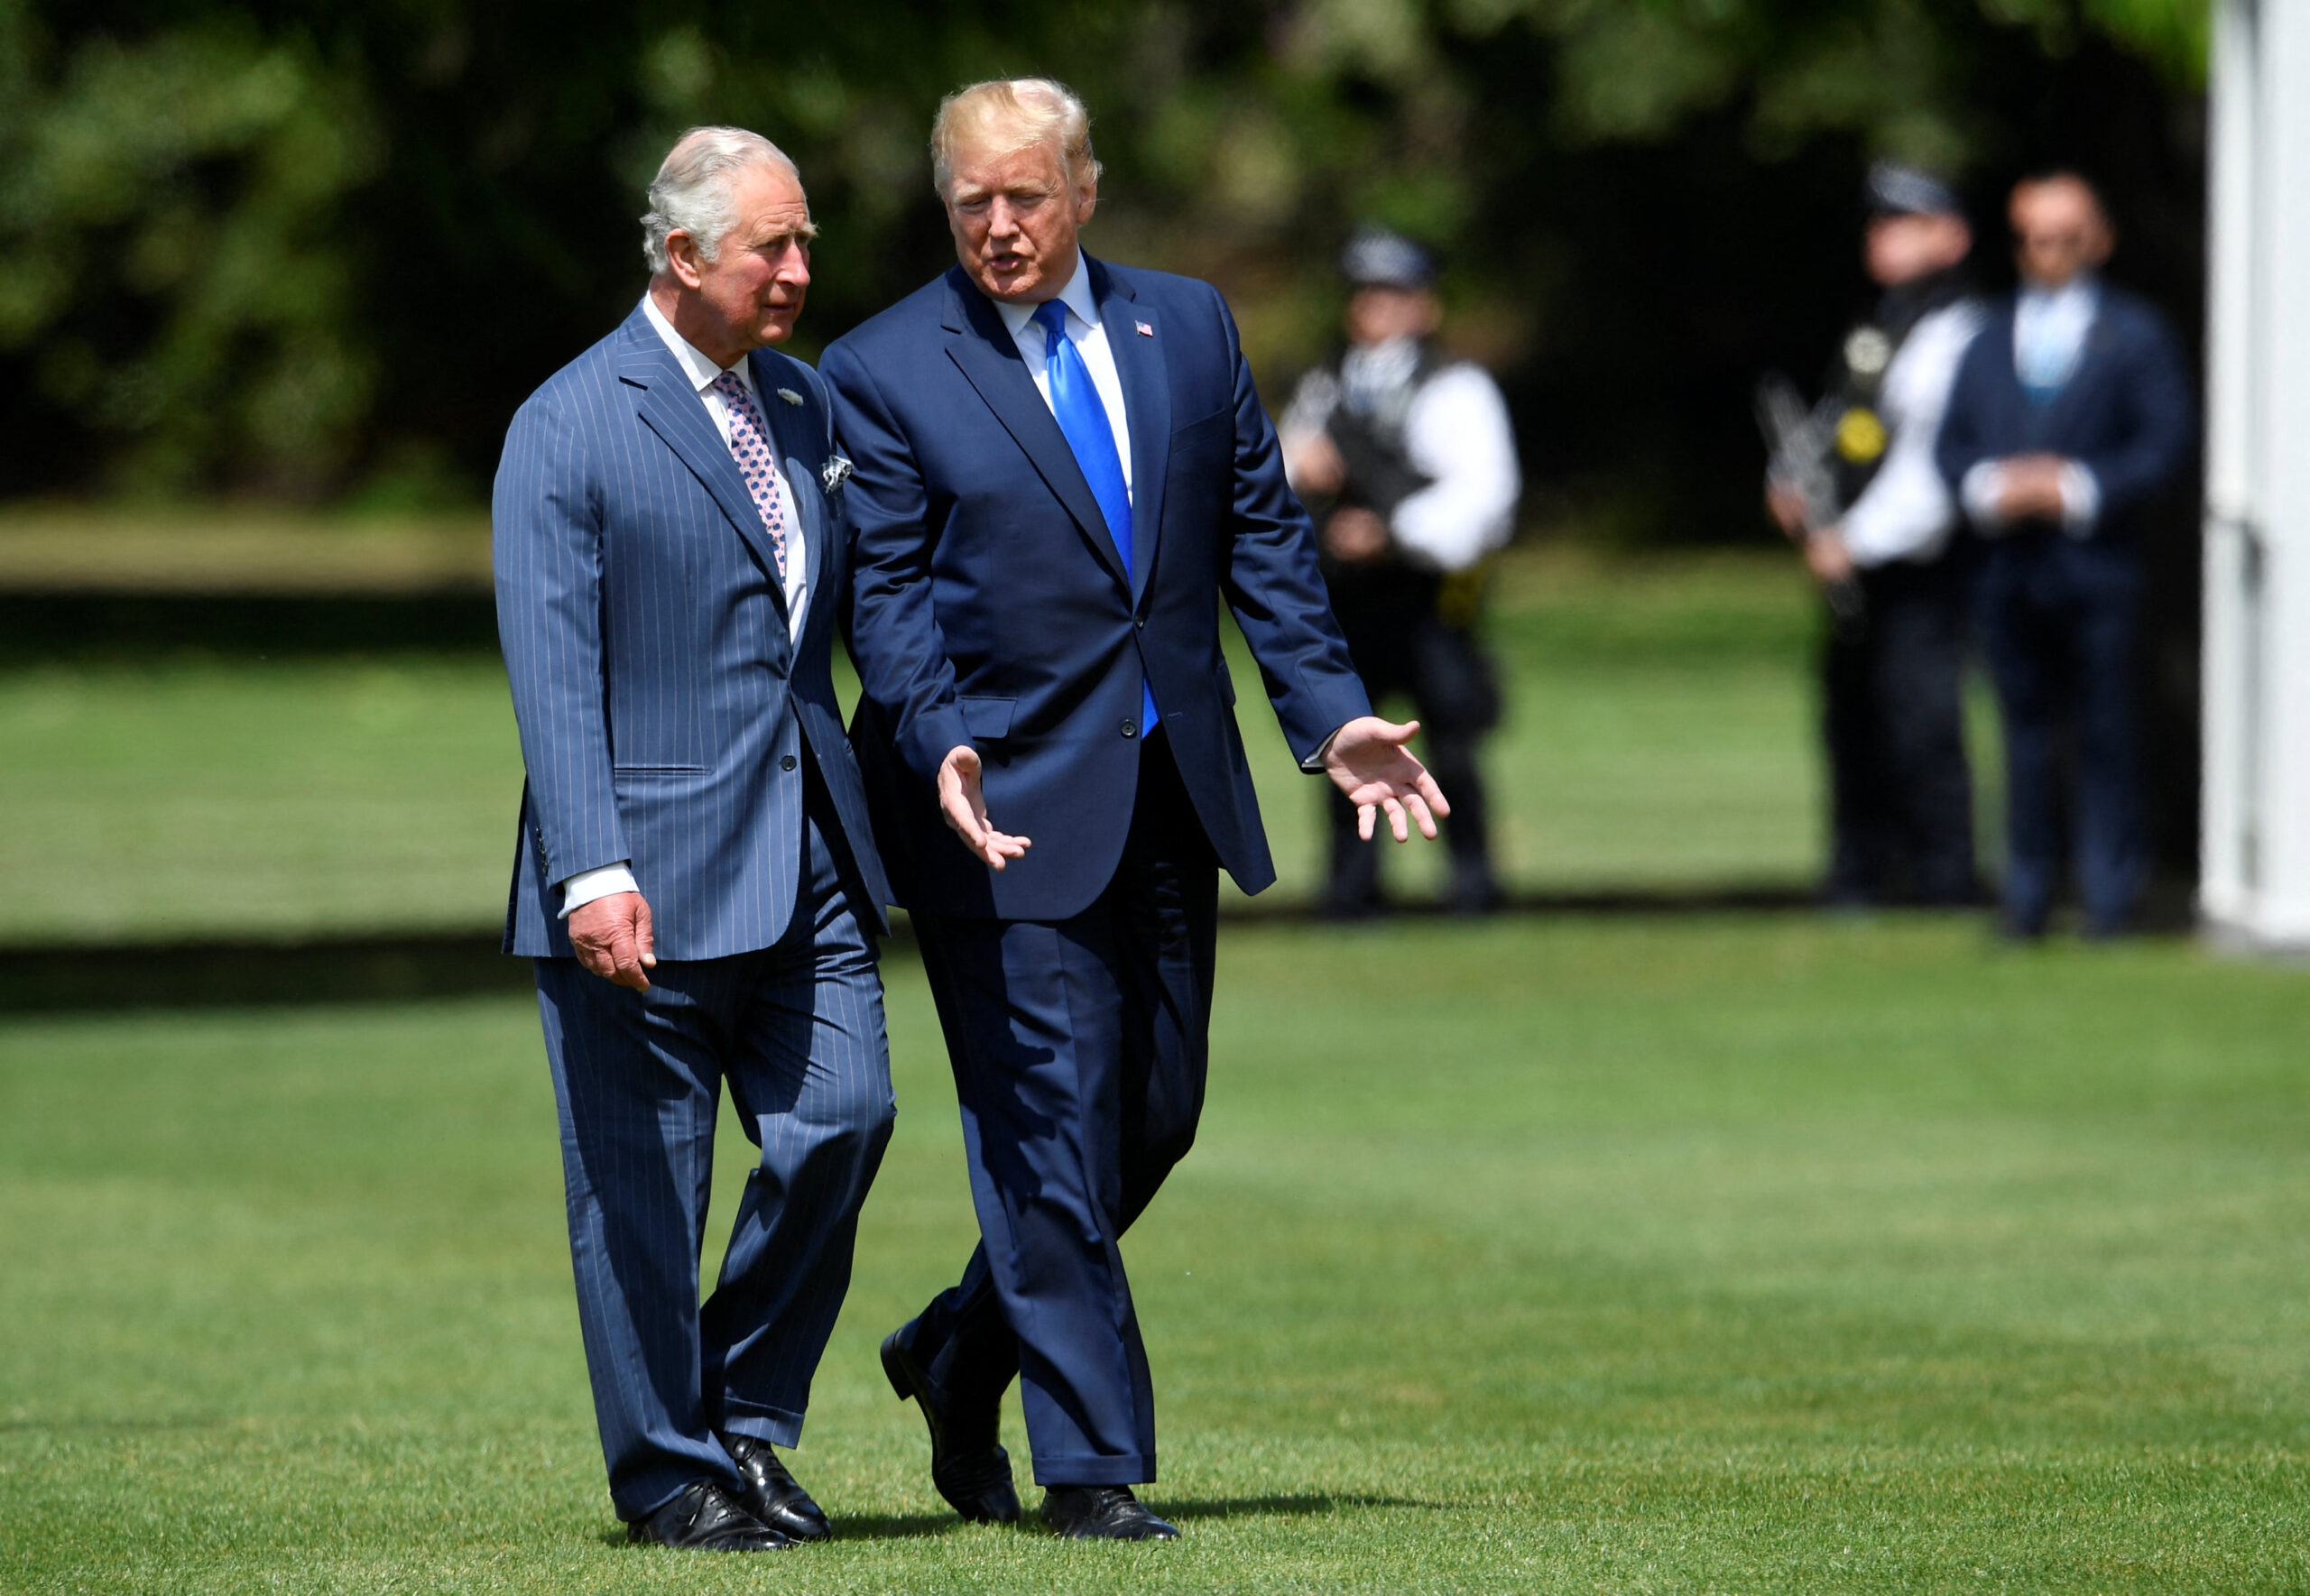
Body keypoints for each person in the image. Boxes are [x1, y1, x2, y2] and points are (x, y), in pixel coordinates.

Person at [821, 78, 1448, 1541]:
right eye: (970, 199)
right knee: (1044, 1123)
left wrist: (1331, 710)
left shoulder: (1190, 326)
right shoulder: (884, 364)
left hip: (1170, 788)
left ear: (1085, 189)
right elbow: (890, 591)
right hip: (998, 804)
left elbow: (1266, 546)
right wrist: (934, 738)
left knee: (1150, 1117)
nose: (997, 226)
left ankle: (959, 1348)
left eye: (1025, 195)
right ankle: (1090, 1464)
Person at [493, 127, 896, 1552]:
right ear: (681, 257)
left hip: (813, 858)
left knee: (848, 1115)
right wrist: (589, 867)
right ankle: (670, 1480)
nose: (799, 270)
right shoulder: (570, 419)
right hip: (640, 880)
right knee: (645, 1200)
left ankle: (740, 1417)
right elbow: (552, 667)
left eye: (804, 243)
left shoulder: (802, 402)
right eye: (770, 248)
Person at [1936, 171, 2192, 937]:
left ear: (2098, 240)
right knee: (2022, 735)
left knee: (2106, 734)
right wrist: (1992, 487)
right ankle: (2024, 893)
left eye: (2065, 237)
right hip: (2009, 569)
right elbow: (1953, 447)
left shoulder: (2135, 334)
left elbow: (2163, 444)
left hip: (2097, 565)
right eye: (2033, 238)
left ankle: (2109, 896)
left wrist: (2076, 486)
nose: (2048, 252)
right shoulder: (1986, 335)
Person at [1279, 227, 1520, 916]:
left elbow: (1483, 498)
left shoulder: (1454, 387)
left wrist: (1389, 532)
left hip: (1428, 598)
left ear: (1423, 306)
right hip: (1350, 601)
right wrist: (1307, 468)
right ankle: (1351, 888)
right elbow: (1280, 466)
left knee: (1454, 739)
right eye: (1365, 295)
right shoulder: (1326, 384)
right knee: (1347, 739)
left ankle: (1473, 884)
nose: (1375, 310)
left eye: (1392, 295)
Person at [1767, 162, 1984, 908]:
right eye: (1879, 224)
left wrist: (1853, 541)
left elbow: (1932, 467)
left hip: (1917, 567)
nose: (1883, 238)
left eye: (1903, 224)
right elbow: (1837, 425)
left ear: (1949, 237)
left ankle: (1944, 877)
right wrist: (1791, 484)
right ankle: (1860, 869)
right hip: (1854, 571)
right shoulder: (1879, 325)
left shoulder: (1959, 332)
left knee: (1921, 722)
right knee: (1850, 719)